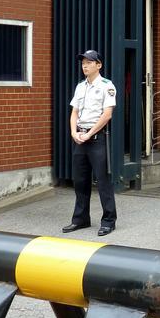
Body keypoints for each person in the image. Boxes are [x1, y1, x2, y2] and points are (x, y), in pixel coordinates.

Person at [62, 50, 118, 237]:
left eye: (89, 62)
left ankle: (108, 221)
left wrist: (89, 134)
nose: (85, 66)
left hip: (97, 139)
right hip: (80, 138)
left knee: (103, 182)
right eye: (83, 63)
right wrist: (74, 132)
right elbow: (74, 112)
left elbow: (107, 115)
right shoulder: (80, 86)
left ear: (98, 65)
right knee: (80, 181)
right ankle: (81, 219)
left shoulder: (107, 86)